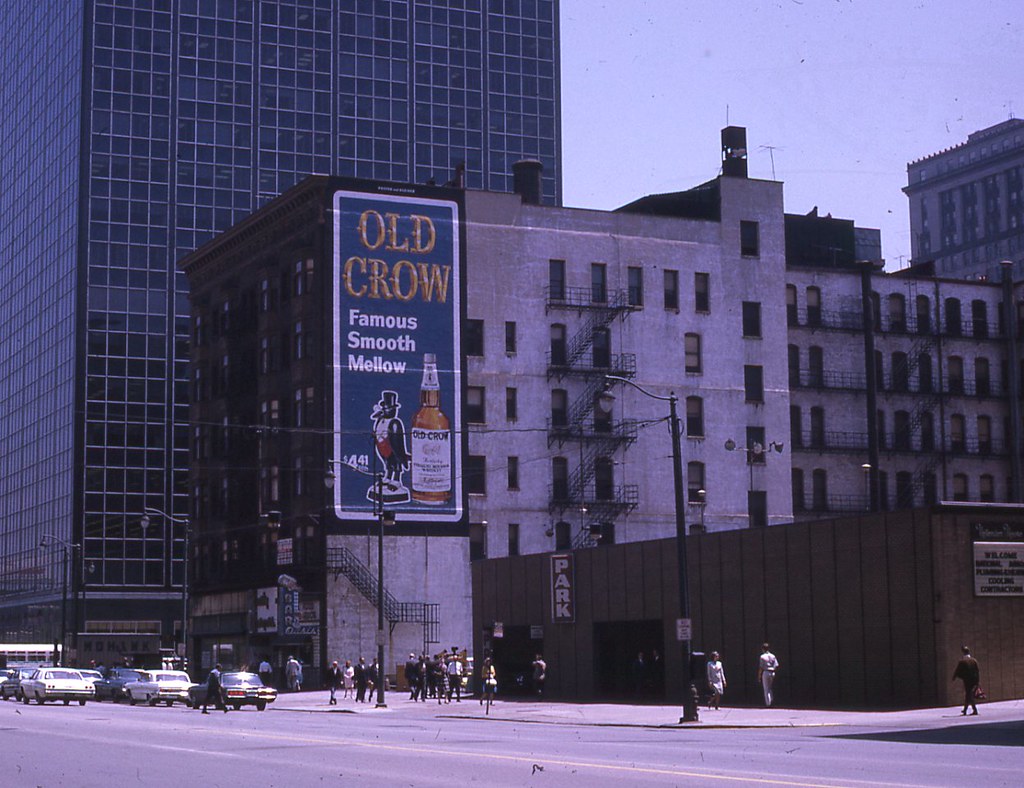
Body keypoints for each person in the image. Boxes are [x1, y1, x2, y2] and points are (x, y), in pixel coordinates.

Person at [952, 645, 980, 716]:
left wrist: (954, 677)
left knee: (969, 694)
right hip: (974, 680)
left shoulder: (962, 662)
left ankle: (971, 710)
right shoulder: (974, 661)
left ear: (963, 652)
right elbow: (977, 671)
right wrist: (977, 682)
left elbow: (957, 671)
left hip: (967, 681)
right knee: (969, 694)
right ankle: (967, 710)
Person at [757, 643, 779, 707]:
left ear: (763, 649)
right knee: (770, 687)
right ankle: (771, 700)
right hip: (772, 672)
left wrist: (759, 676)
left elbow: (761, 667)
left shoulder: (762, 656)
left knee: (766, 688)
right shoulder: (773, 656)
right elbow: (776, 665)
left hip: (766, 672)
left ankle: (768, 703)